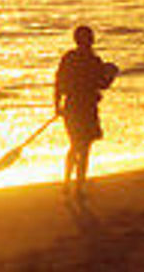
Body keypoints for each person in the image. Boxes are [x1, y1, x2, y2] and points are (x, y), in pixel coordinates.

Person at [54, 24, 118, 199]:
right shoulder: (93, 60)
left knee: (76, 145)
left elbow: (59, 82)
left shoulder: (69, 58)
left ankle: (69, 183)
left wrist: (57, 106)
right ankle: (77, 186)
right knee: (83, 147)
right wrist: (111, 76)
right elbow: (101, 85)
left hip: (73, 106)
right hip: (85, 107)